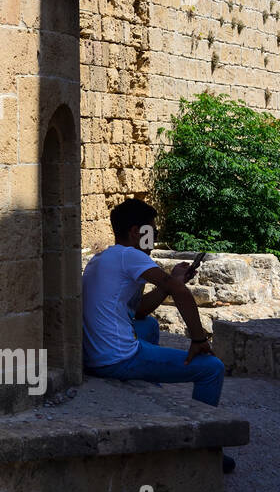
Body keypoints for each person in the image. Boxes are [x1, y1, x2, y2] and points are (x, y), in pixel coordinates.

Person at [81, 197, 235, 473]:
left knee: (149, 326)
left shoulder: (104, 257)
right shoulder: (132, 256)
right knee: (211, 368)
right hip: (116, 359)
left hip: (93, 355)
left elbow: (140, 310)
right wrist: (199, 340)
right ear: (135, 232)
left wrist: (173, 281)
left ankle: (150, 388)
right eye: (152, 231)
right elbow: (180, 293)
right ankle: (202, 450)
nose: (154, 238)